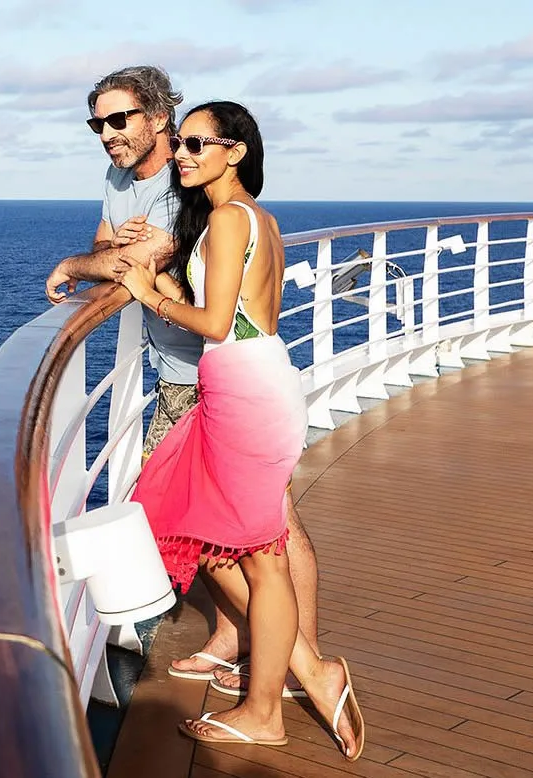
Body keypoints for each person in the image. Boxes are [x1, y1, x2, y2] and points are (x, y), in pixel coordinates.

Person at [45, 65, 325, 700]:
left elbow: (135, 263)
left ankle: (298, 661)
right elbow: (112, 248)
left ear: (159, 121)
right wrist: (114, 257)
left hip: (216, 376)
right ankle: (248, 642)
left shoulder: (186, 186)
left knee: (261, 527)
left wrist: (79, 264)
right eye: (98, 123)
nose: (107, 134)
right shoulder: (121, 177)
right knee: (234, 526)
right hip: (185, 375)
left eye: (120, 120)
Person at [117, 100, 364, 759]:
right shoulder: (257, 218)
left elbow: (217, 323)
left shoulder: (229, 219)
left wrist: (149, 295)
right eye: (181, 145)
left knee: (258, 556)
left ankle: (267, 709)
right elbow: (244, 310)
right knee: (201, 527)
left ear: (237, 151)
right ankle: (309, 672)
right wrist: (163, 270)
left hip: (246, 388)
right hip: (253, 382)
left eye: (198, 143)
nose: (183, 154)